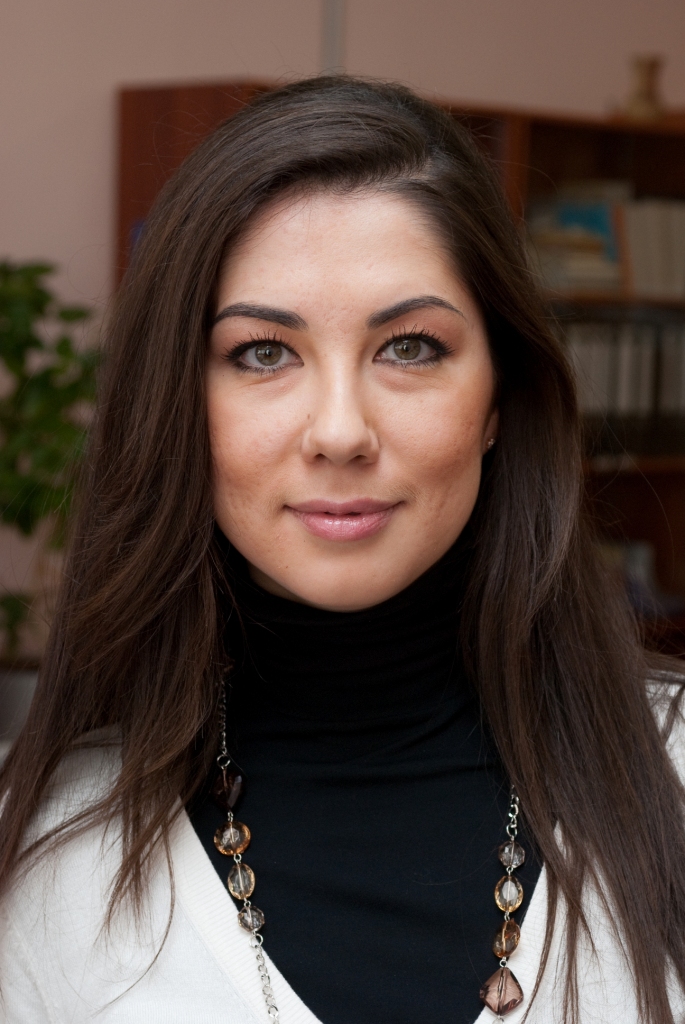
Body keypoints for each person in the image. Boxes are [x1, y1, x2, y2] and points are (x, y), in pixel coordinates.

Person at [0, 76, 684, 1024]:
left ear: (498, 399)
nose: (338, 432)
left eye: (409, 347)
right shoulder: (42, 852)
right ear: (179, 406)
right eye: (262, 353)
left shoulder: (670, 772)